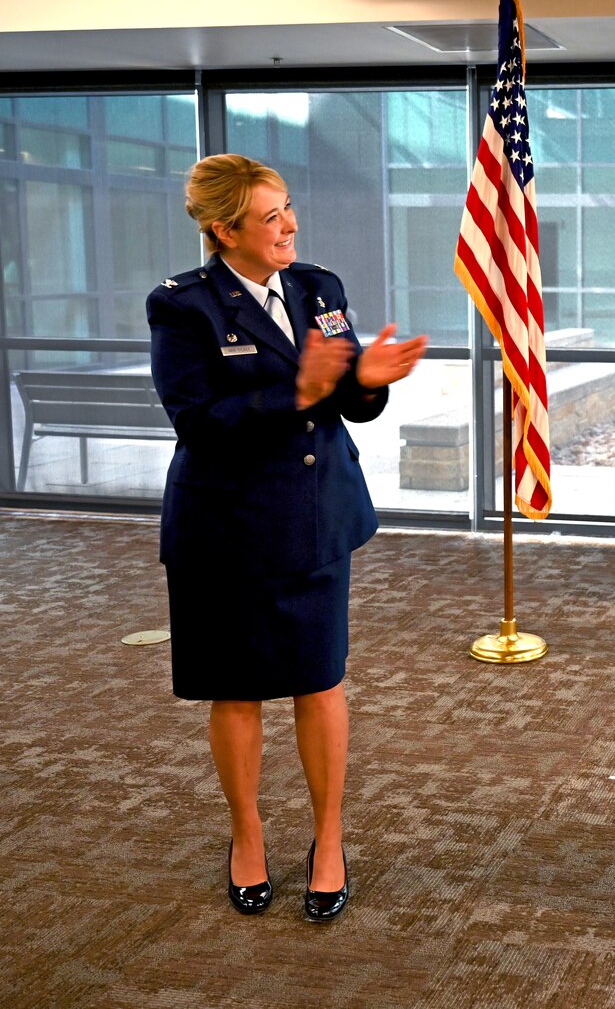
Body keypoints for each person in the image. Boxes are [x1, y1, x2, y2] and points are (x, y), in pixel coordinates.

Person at [147, 154, 428, 920]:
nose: (290, 226)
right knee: (236, 690)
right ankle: (247, 834)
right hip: (224, 525)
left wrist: (365, 378)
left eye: (290, 209)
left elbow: (351, 406)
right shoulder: (183, 307)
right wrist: (294, 391)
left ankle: (329, 839)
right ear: (222, 229)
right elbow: (196, 421)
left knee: (318, 678)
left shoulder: (319, 288)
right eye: (270, 217)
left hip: (314, 514)